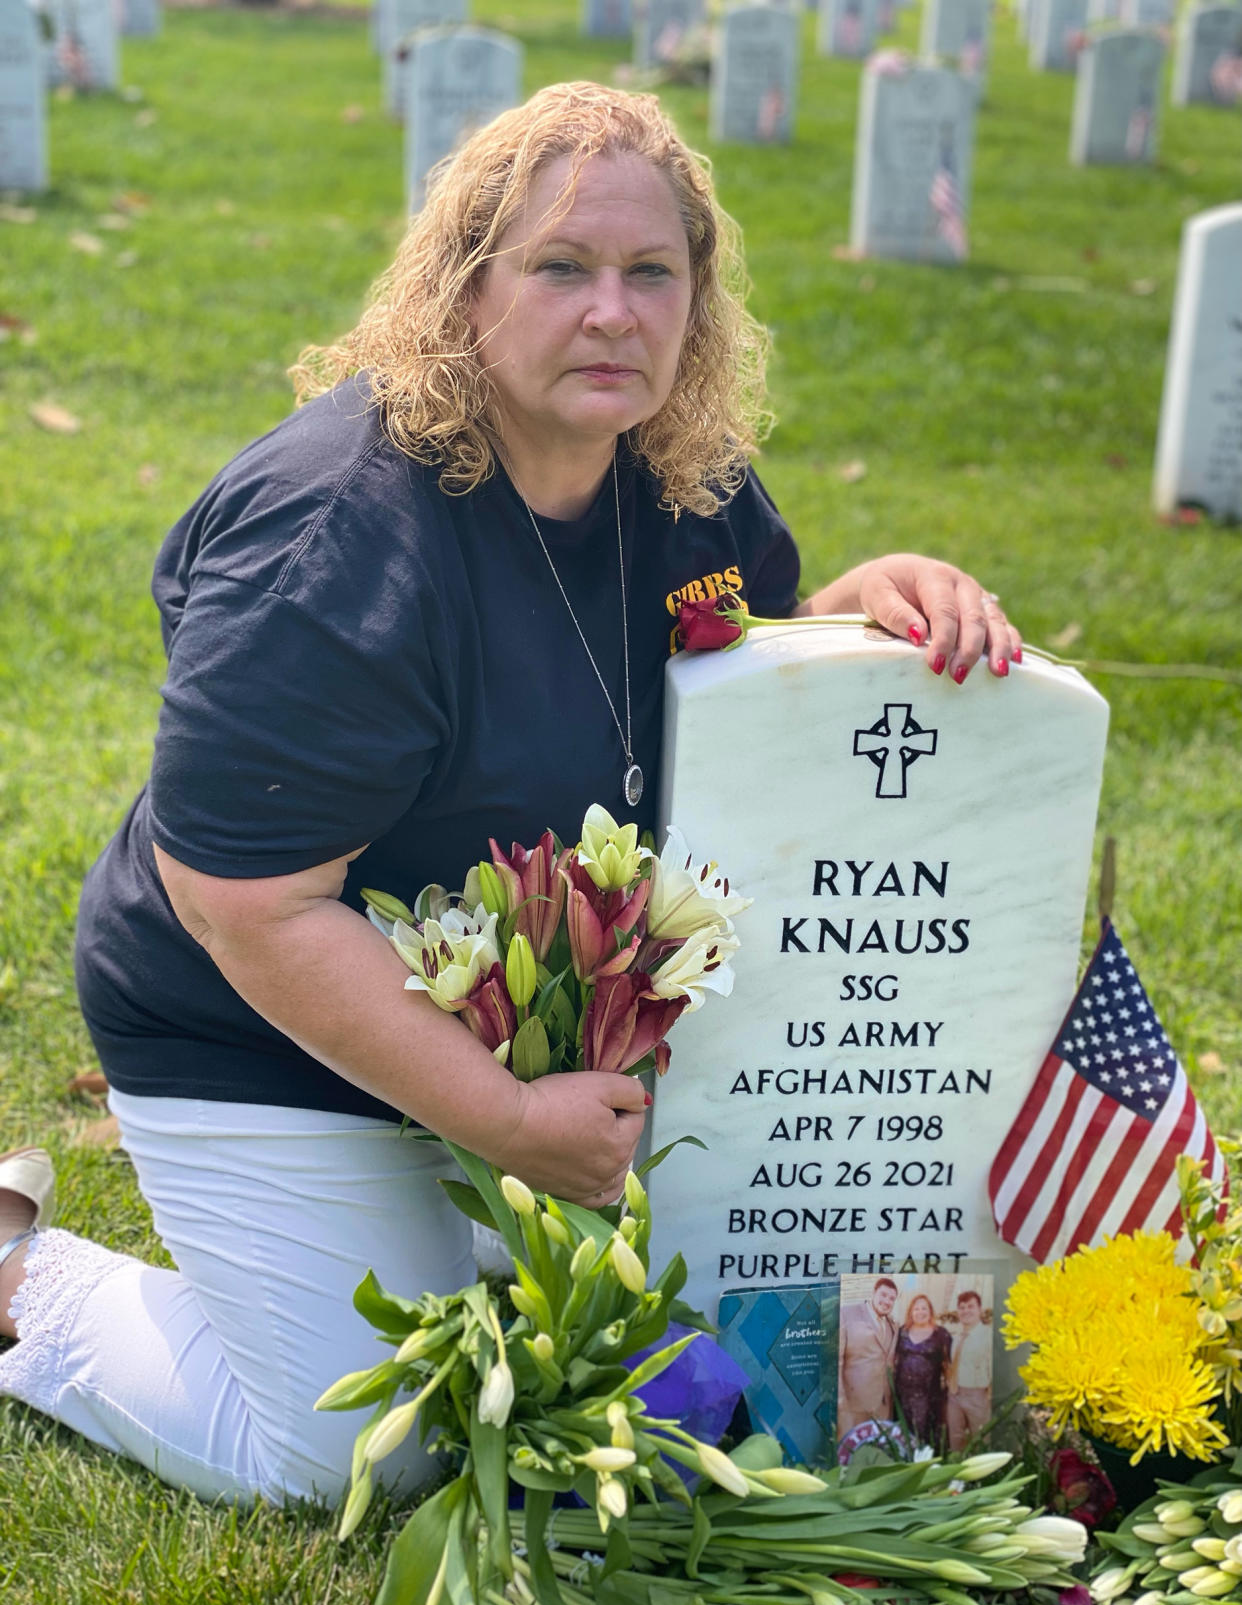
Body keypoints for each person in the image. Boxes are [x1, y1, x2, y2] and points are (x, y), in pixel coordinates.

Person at [0, 82, 1021, 1508]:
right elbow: (244, 907)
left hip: (530, 1005)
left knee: (693, 1310)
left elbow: (736, 675)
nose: (613, 312)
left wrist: (872, 610)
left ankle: (445, 1216)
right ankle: (26, 1277)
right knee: (364, 1446)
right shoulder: (336, 548)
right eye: (559, 267)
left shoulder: (679, 476)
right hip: (258, 1023)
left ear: (697, 300)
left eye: (650, 272)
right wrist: (501, 1119)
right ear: (462, 290)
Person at [837, 1277, 899, 1435]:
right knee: (851, 1453)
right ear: (873, 1292)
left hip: (883, 1407)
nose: (887, 1301)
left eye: (892, 1298)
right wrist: (840, 1400)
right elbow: (837, 1361)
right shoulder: (846, 1313)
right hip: (853, 1406)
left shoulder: (893, 1325)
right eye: (883, 1295)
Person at [893, 1292, 952, 1450]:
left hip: (929, 1396)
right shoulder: (901, 1332)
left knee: (925, 1436)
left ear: (930, 1311)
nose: (920, 1312)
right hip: (902, 1395)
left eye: (924, 1308)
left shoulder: (941, 1334)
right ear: (911, 1312)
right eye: (916, 1309)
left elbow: (949, 1365)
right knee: (903, 1434)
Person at [947, 1290, 993, 1451]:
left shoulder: (988, 1336)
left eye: (970, 1306)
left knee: (981, 1440)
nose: (966, 1311)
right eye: (962, 1307)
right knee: (955, 1440)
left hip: (977, 1396)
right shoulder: (956, 1337)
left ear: (980, 1309)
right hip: (954, 1395)